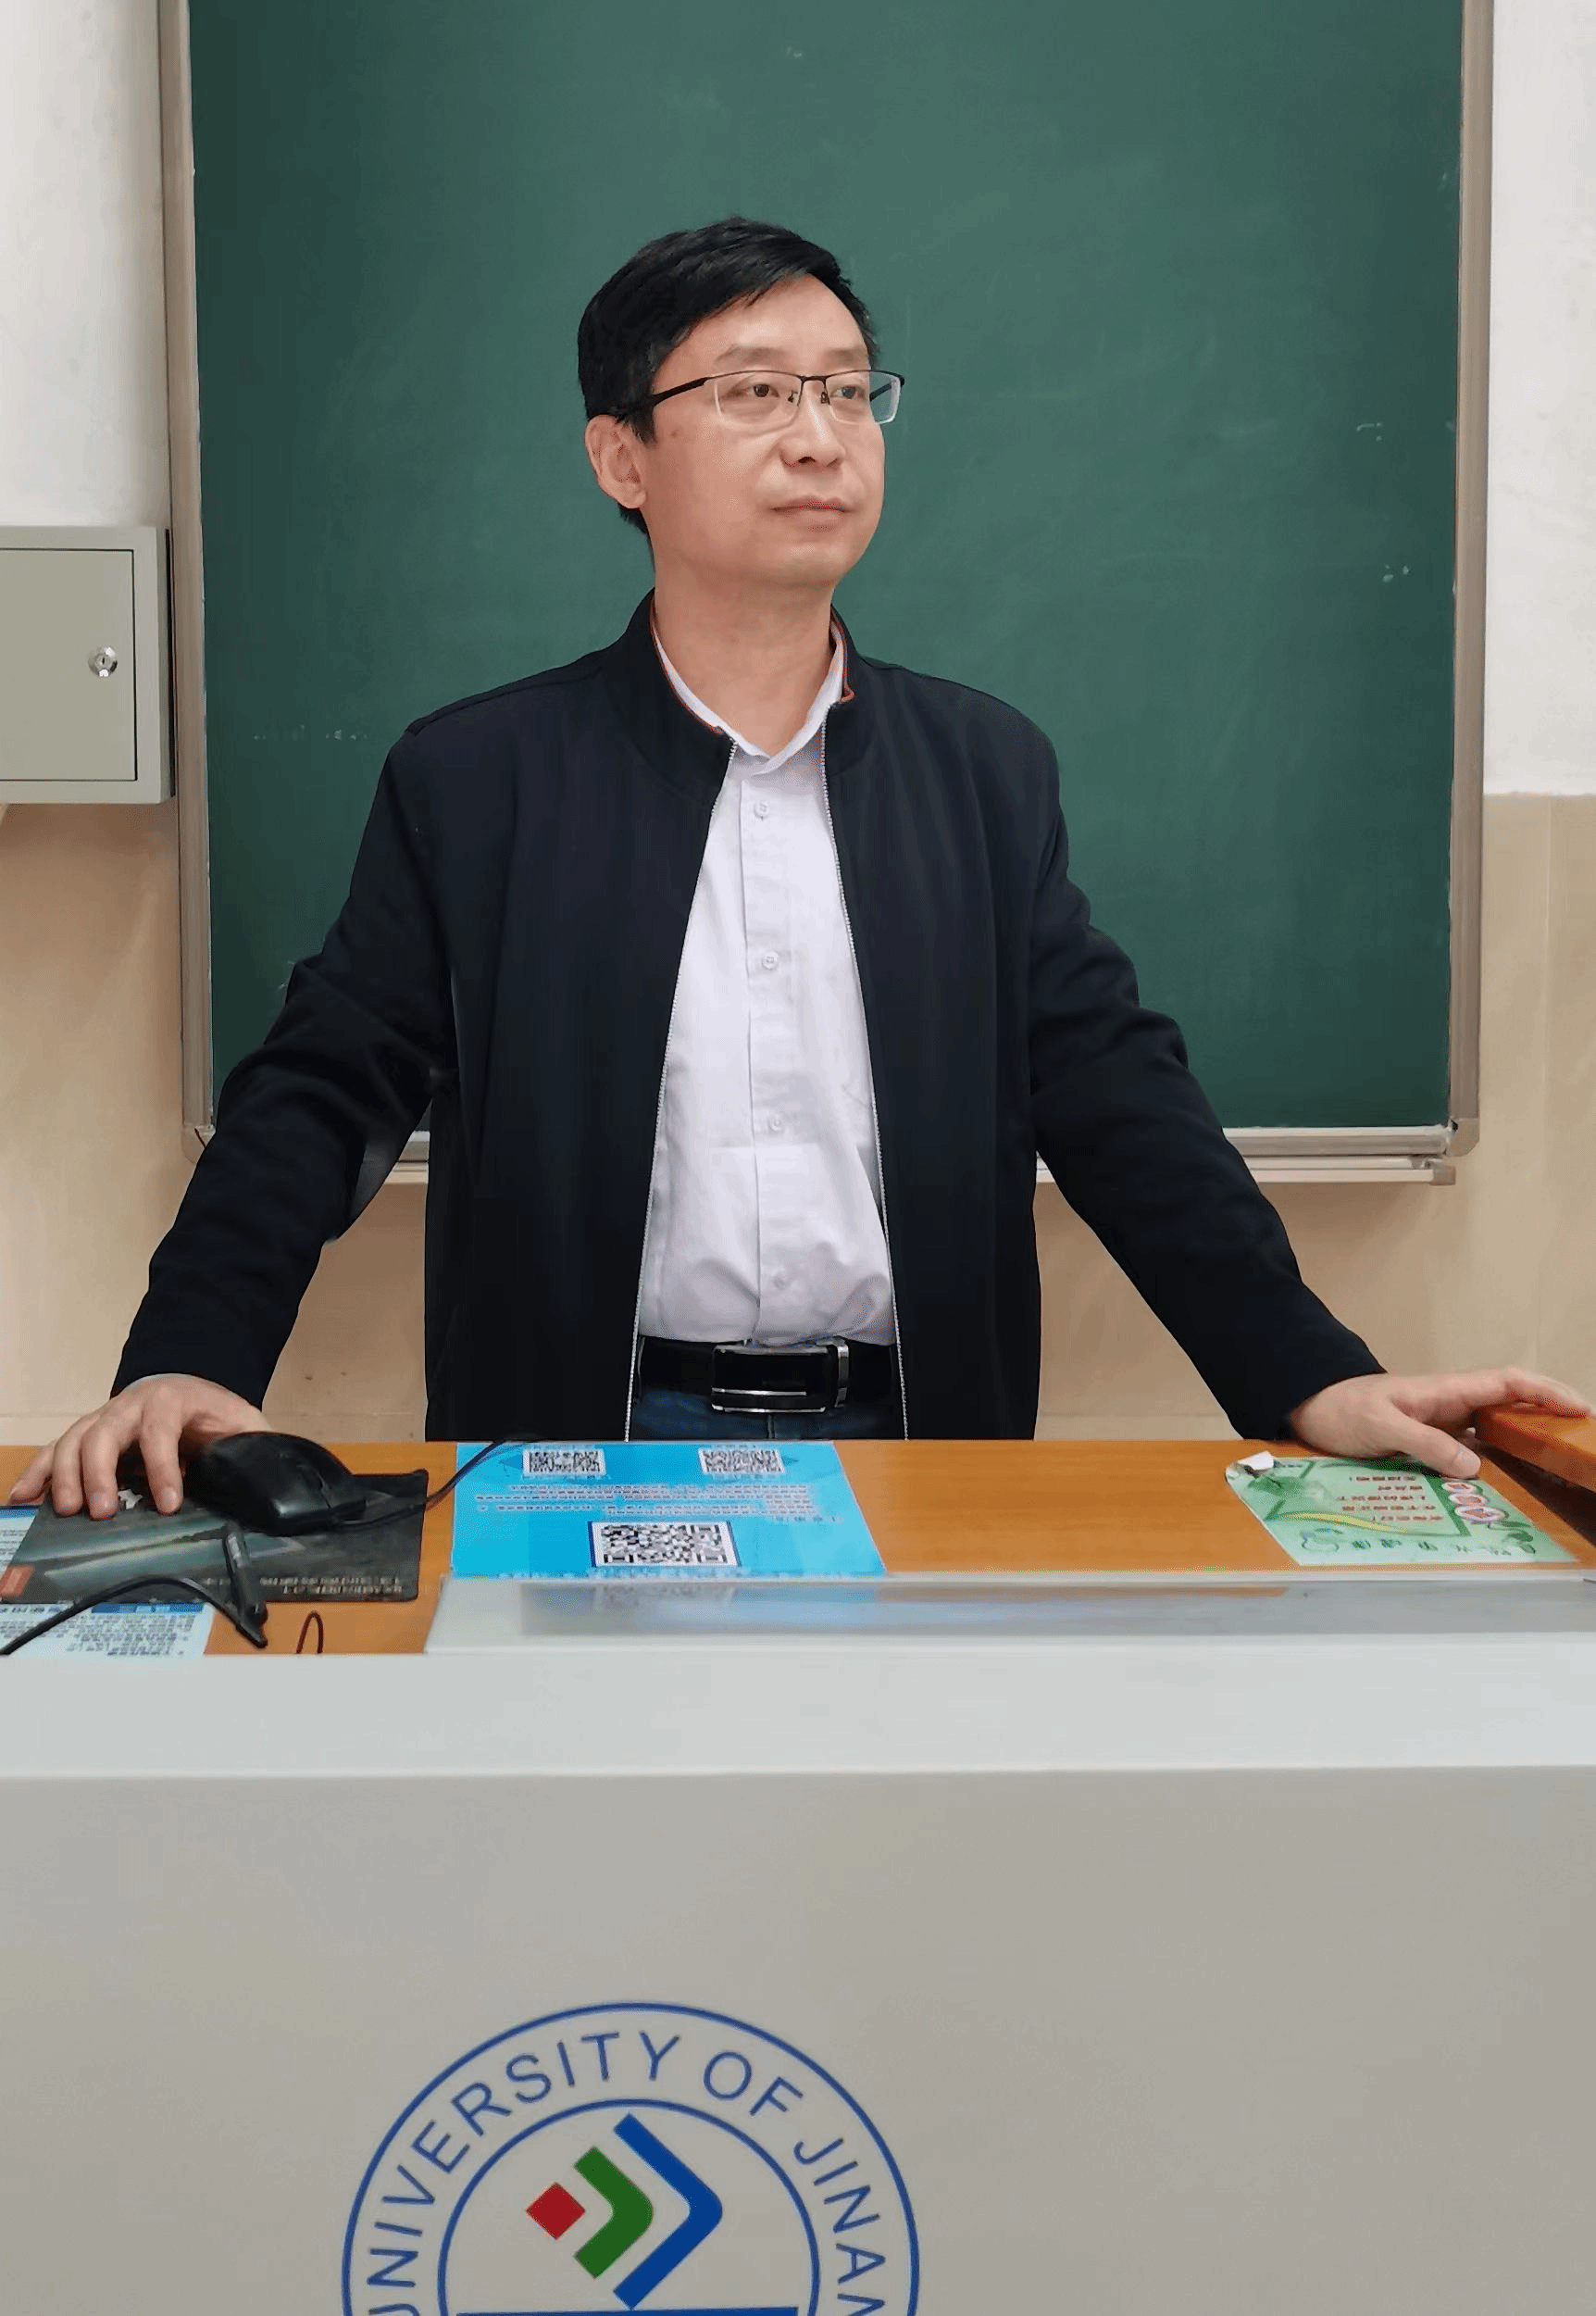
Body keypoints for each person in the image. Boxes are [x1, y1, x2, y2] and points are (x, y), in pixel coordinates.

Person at [10, 217, 1587, 1521]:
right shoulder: (480, 778)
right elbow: (317, 1089)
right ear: (621, 456)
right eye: (756, 393)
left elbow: (1117, 1098)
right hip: (583, 1443)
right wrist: (188, 1358)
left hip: (921, 1445)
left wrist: (1310, 1371)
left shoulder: (985, 771)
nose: (821, 436)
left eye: (847, 390)